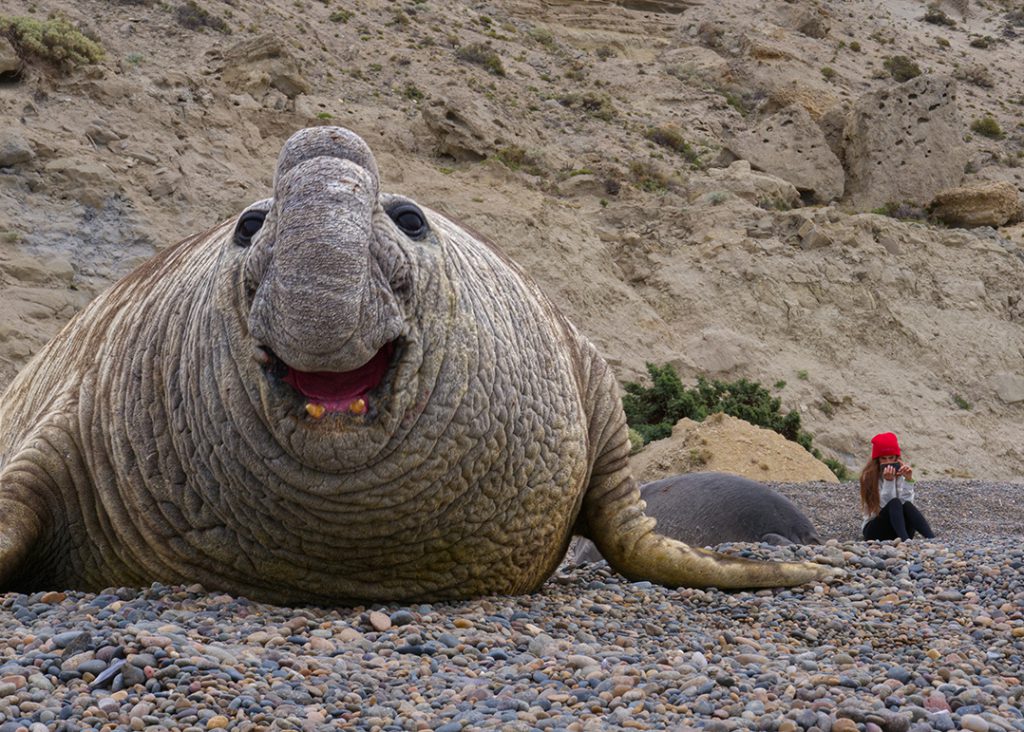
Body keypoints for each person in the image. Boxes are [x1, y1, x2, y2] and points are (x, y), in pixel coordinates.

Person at [860, 432, 934, 541]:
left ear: (896, 458)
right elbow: (886, 507)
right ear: (877, 460)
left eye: (891, 458)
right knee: (894, 502)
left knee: (908, 505)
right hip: (875, 530)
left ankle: (932, 539)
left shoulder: (900, 473)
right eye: (883, 459)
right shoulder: (869, 477)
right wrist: (888, 481)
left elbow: (905, 505)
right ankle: (905, 542)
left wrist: (908, 480)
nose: (888, 462)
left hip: (899, 529)